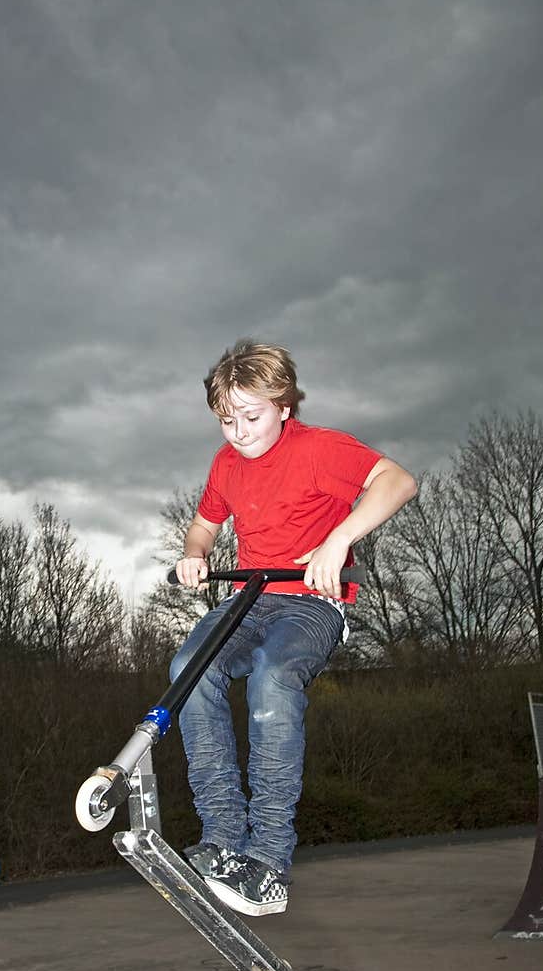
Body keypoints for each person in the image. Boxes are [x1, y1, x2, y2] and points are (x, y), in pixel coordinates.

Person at [170, 338, 417, 918]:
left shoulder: (319, 449)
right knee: (188, 668)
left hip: (311, 606)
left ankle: (269, 861)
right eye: (226, 420)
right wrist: (193, 554)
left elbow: (398, 481)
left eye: (252, 416)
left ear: (284, 406)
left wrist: (338, 540)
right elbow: (203, 526)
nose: (239, 431)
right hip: (249, 601)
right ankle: (223, 836)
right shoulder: (226, 464)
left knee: (272, 678)